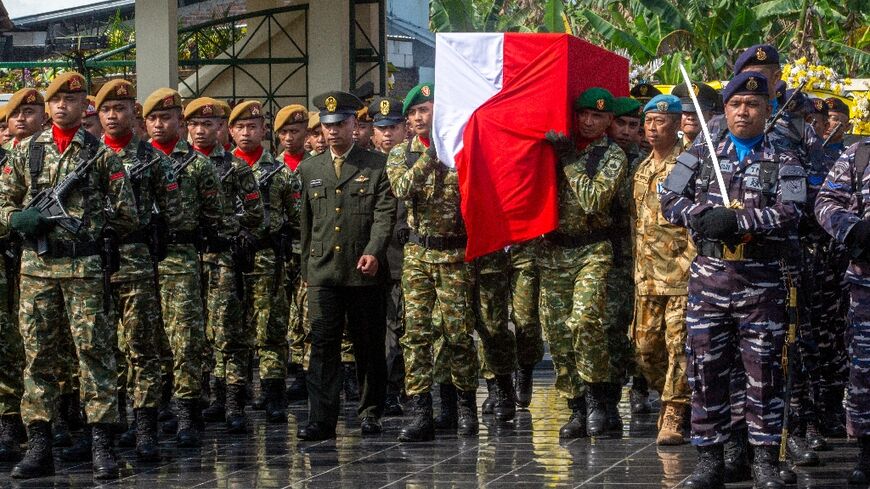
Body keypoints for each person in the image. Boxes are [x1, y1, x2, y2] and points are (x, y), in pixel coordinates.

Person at [660, 72, 805, 489]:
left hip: (761, 282)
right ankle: (710, 459)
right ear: (725, 109)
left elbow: (792, 211)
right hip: (710, 280)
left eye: (754, 105)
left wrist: (739, 220)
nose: (745, 111)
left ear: (767, 110)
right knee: (705, 370)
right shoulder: (703, 150)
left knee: (763, 372)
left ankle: (762, 460)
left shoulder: (785, 156)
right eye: (737, 104)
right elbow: (668, 198)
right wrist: (701, 217)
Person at [0, 72, 139, 480]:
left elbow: (127, 213)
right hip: (37, 270)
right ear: (48, 107)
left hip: (84, 268)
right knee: (37, 356)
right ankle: (39, 445)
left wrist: (93, 222)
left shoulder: (102, 155)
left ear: (84, 108)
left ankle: (102, 446)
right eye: (56, 100)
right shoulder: (25, 152)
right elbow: (3, 203)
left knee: (94, 354)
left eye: (72, 100)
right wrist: (20, 219)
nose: (63, 106)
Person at [297, 90, 395, 441]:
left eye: (340, 124)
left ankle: (370, 412)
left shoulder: (376, 165)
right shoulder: (310, 168)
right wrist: (306, 271)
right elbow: (307, 226)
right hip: (323, 271)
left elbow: (384, 216)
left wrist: (374, 251)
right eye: (327, 125)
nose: (333, 131)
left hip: (363, 271)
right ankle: (321, 418)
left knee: (368, 344)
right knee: (322, 346)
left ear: (355, 124)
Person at [387, 83, 480, 441]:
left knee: (458, 334)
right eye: (412, 113)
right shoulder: (403, 155)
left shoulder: (462, 151)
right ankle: (420, 410)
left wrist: (450, 149)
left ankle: (464, 406)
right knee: (416, 335)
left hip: (455, 254)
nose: (417, 117)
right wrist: (432, 155)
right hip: (417, 256)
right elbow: (402, 189)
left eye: (424, 110)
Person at [93, 79, 181, 461]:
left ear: (134, 114)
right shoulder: (86, 159)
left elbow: (175, 214)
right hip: (93, 265)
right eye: (106, 110)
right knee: (99, 349)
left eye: (121, 109)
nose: (113, 116)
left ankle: (145, 425)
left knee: (142, 347)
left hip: (137, 262)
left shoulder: (154, 160)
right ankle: (110, 425)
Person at [541, 87, 626, 439]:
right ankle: (575, 406)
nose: (589, 121)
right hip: (554, 251)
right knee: (559, 333)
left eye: (598, 116)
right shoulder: (558, 146)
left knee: (586, 320)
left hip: (592, 250)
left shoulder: (612, 155)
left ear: (608, 121)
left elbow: (594, 200)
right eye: (584, 114)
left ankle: (597, 400)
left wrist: (568, 163)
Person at [144, 88, 226, 447]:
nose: (160, 124)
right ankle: (151, 409)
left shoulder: (197, 165)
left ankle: (186, 411)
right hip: (140, 261)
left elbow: (215, 216)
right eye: (153, 119)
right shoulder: (131, 162)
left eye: (166, 118)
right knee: (143, 340)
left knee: (185, 340)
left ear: (180, 122)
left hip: (181, 259)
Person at [187, 97, 263, 434]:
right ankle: (201, 395)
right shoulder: (175, 166)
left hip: (221, 257)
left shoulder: (236, 167)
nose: (202, 131)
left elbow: (255, 213)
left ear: (221, 129)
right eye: (195, 125)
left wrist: (225, 223)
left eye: (210, 125)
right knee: (190, 333)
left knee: (227, 331)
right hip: (187, 258)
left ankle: (232, 401)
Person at [630, 94, 694, 445]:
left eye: (662, 122)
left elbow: (695, 223)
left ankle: (674, 410)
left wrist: (689, 264)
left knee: (678, 346)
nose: (654, 129)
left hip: (680, 276)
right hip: (647, 276)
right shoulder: (642, 169)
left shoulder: (688, 165)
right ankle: (673, 393)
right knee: (645, 349)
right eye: (650, 122)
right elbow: (635, 225)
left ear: (676, 125)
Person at [229, 100, 297, 423]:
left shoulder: (280, 172)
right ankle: (234, 397)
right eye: (240, 127)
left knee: (272, 328)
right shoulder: (222, 170)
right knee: (233, 329)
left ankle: (273, 394)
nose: (246, 133)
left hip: (269, 259)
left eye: (253, 127)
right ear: (230, 131)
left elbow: (296, 217)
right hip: (232, 260)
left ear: (264, 131)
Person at [815, 137, 870, 485]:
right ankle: (867, 448)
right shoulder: (859, 154)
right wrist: (853, 228)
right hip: (868, 283)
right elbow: (826, 200)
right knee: (865, 369)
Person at [603, 96, 648, 424]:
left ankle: (642, 386)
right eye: (622, 123)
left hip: (642, 254)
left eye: (634, 126)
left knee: (643, 324)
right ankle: (612, 391)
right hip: (611, 252)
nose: (627, 131)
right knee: (612, 323)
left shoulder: (645, 161)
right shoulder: (601, 158)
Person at [369, 96, 408, 414]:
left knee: (408, 329)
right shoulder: (364, 166)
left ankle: (407, 387)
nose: (387, 134)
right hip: (376, 260)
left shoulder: (414, 161)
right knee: (385, 331)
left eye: (393, 127)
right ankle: (389, 389)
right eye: (381, 128)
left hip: (410, 256)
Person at [272, 104, 308, 402]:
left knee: (305, 310)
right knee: (283, 312)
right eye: (283, 132)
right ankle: (293, 368)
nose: (288, 137)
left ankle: (306, 370)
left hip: (309, 248)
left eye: (294, 131)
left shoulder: (315, 165)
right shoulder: (273, 168)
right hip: (283, 251)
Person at [671, 81, 719, 148]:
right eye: (685, 111)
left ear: (710, 115)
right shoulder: (667, 148)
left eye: (697, 112)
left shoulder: (720, 149)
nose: (691, 117)